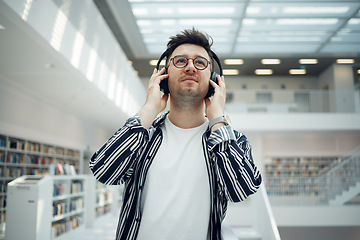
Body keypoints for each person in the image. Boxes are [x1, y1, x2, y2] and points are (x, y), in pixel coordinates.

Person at [89, 28, 262, 240]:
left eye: (200, 63)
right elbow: (103, 171)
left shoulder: (233, 141)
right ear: (163, 75)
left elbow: (241, 190)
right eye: (180, 61)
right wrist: (149, 109)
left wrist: (218, 118)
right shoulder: (143, 137)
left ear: (214, 79)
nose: (190, 66)